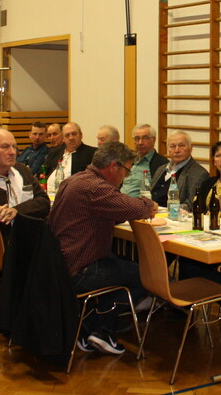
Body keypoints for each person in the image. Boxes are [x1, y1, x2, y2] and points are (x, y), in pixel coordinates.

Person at [48, 141, 157, 354]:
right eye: (127, 170)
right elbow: (136, 208)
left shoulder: (75, 180)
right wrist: (150, 205)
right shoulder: (96, 188)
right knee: (147, 275)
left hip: (61, 264)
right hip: (80, 268)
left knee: (121, 264)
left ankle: (87, 328)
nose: (126, 177)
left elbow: (108, 210)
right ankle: (100, 328)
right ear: (114, 166)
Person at [150, 130, 209, 207]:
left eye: (181, 146)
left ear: (191, 148)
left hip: (173, 213)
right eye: (173, 146)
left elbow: (191, 205)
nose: (177, 150)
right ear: (167, 149)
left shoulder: (198, 173)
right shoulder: (161, 169)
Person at [43, 122, 96, 195]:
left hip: (72, 196)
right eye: (67, 135)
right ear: (63, 138)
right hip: (48, 194)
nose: (71, 138)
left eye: (74, 134)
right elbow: (44, 173)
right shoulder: (55, 153)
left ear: (81, 135)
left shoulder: (92, 153)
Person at [121, 123, 168, 197]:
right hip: (118, 200)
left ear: (153, 140)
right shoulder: (128, 160)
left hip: (140, 202)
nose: (140, 142)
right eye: (137, 138)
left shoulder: (162, 164)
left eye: (145, 138)